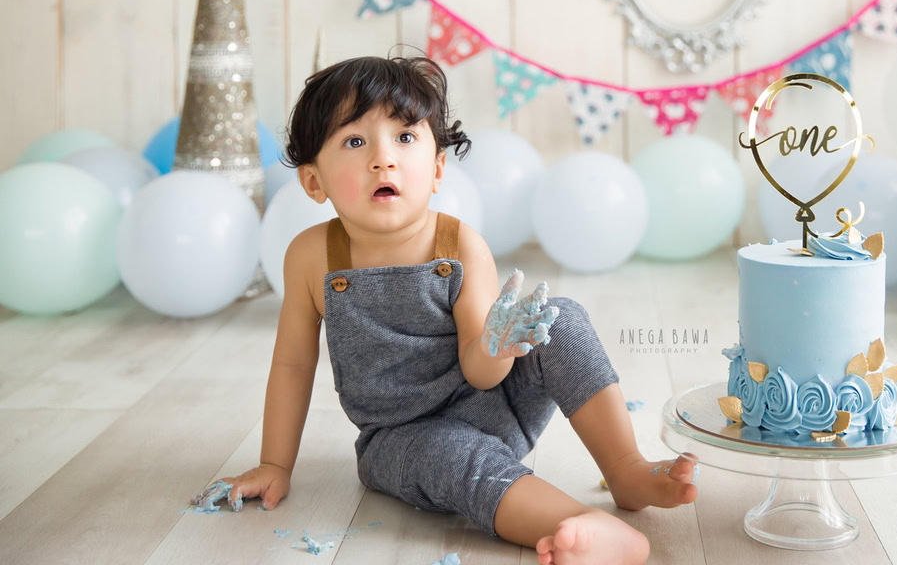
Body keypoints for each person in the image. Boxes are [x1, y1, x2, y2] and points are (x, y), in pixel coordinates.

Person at [215, 53, 697, 563]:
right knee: (452, 457)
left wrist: (497, 344)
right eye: (355, 142)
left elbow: (483, 374)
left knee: (564, 317)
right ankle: (571, 522)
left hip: (494, 401)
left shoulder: (460, 247)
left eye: (405, 138)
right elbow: (292, 365)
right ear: (314, 182)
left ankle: (625, 468)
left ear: (438, 166)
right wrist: (275, 464)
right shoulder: (312, 257)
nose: (384, 159)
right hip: (401, 439)